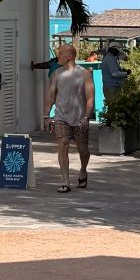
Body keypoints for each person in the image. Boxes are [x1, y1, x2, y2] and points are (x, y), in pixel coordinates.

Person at [43, 43, 94, 193]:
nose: (57, 56)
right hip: (61, 116)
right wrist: (46, 116)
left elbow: (90, 98)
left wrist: (86, 117)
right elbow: (50, 96)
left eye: (60, 53)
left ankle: (83, 170)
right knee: (63, 144)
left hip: (80, 118)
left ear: (69, 56)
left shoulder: (85, 74)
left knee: (83, 149)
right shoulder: (56, 74)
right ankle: (66, 182)